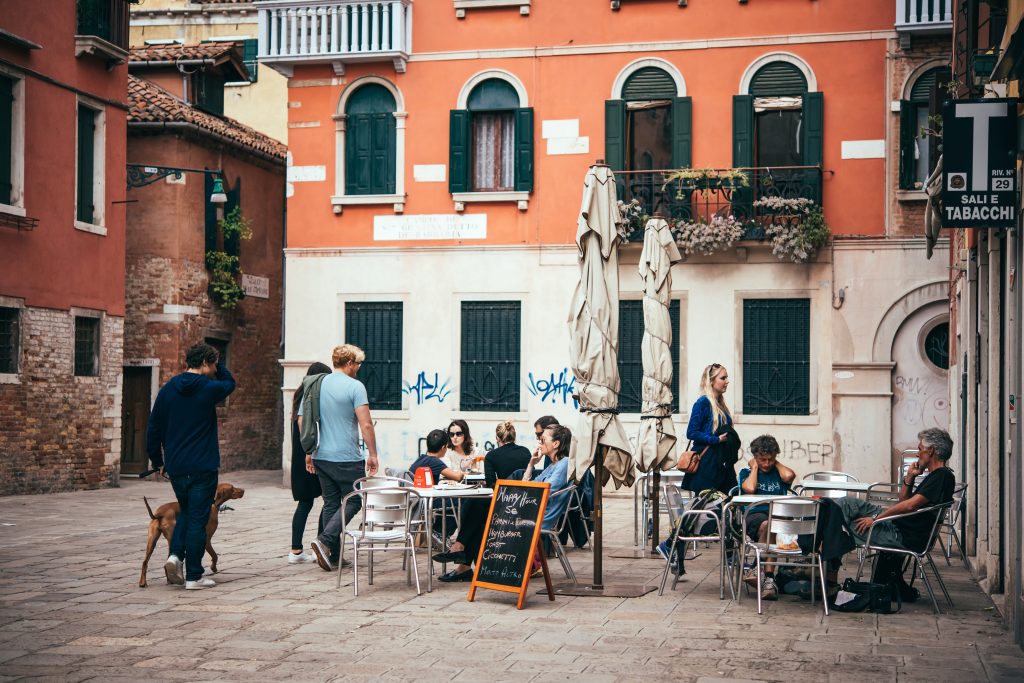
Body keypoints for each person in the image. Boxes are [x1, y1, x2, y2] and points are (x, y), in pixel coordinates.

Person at [146, 342, 236, 590]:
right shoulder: (208, 388)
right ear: (206, 363)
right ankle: (194, 575)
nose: (216, 368)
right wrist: (221, 366)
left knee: (186, 511)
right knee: (198, 518)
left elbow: (153, 429)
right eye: (213, 363)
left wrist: (158, 461)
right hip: (202, 465)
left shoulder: (167, 390)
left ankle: (175, 557)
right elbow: (230, 383)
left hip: (176, 466)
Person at [827, 428, 956, 587]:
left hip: (902, 535)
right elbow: (904, 501)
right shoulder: (936, 476)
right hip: (898, 524)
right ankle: (825, 570)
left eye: (920, 449)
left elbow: (909, 505)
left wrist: (874, 519)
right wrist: (910, 477)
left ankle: (826, 577)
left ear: (931, 451)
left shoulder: (942, 476)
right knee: (845, 504)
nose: (917, 454)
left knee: (836, 526)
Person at [305, 344, 380, 572]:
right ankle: (325, 540)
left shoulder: (316, 384)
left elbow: (303, 420)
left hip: (321, 455)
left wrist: (309, 453)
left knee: (331, 502)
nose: (358, 368)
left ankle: (333, 556)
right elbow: (365, 423)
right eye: (357, 364)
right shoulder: (355, 386)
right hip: (346, 456)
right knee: (355, 500)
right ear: (349, 364)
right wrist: (373, 454)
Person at [433, 421, 532, 582]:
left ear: (497, 438)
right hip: (524, 504)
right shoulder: (526, 452)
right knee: (478, 518)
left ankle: (460, 547)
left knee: (473, 504)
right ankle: (465, 567)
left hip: (506, 506)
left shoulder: (492, 455)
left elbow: (492, 484)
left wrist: (484, 483)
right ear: (514, 436)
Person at [737, 435, 797, 601]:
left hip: (776, 519)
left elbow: (789, 476)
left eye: (771, 459)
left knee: (774, 524)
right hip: (754, 517)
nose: (767, 464)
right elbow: (749, 489)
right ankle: (768, 577)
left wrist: (776, 463)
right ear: (755, 457)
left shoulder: (778, 473)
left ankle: (760, 571)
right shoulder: (746, 473)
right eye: (762, 459)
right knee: (772, 525)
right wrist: (755, 468)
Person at [287, 362, 331, 564]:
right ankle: (319, 545)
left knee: (306, 502)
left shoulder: (299, 396)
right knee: (328, 499)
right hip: (310, 456)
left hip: (300, 456)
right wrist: (310, 451)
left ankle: (296, 550)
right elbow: (303, 423)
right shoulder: (310, 397)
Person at [682, 363, 738, 494]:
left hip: (723, 462)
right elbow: (691, 432)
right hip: (707, 463)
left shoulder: (721, 404)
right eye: (723, 378)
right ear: (711, 381)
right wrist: (716, 439)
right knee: (707, 505)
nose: (727, 381)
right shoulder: (703, 403)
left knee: (731, 498)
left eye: (726, 378)